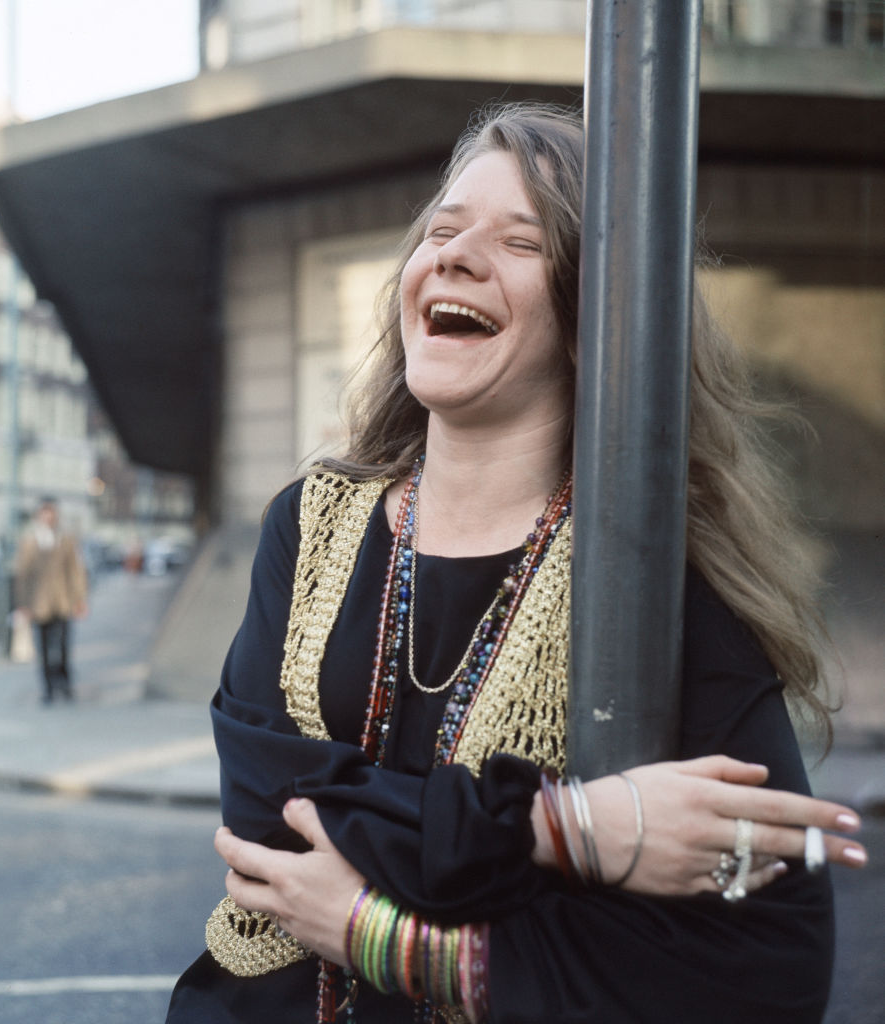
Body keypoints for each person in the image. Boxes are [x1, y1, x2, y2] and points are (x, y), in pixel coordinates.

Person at [166, 104, 867, 1024]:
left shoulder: (661, 582)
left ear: (594, 322)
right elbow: (271, 817)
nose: (451, 256)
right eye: (442, 231)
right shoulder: (310, 527)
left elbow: (764, 970)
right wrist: (567, 830)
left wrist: (384, 933)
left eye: (521, 243)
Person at [14, 496, 88, 702]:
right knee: (44, 649)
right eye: (45, 514)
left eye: (52, 514)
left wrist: (80, 599)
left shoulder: (66, 539)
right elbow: (22, 575)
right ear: (40, 516)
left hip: (63, 602)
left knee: (64, 646)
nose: (49, 518)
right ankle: (47, 688)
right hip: (39, 605)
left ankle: (65, 684)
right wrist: (23, 605)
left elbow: (76, 571)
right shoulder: (29, 542)